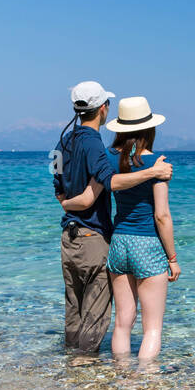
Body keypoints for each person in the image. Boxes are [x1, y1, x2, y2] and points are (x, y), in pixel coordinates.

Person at [54, 81, 172, 352]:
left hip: (75, 238)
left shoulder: (65, 140)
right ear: (104, 108)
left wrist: (67, 203)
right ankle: (90, 371)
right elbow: (111, 184)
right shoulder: (97, 145)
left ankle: (74, 367)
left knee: (83, 313)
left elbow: (56, 175)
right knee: (105, 319)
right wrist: (152, 172)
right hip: (98, 238)